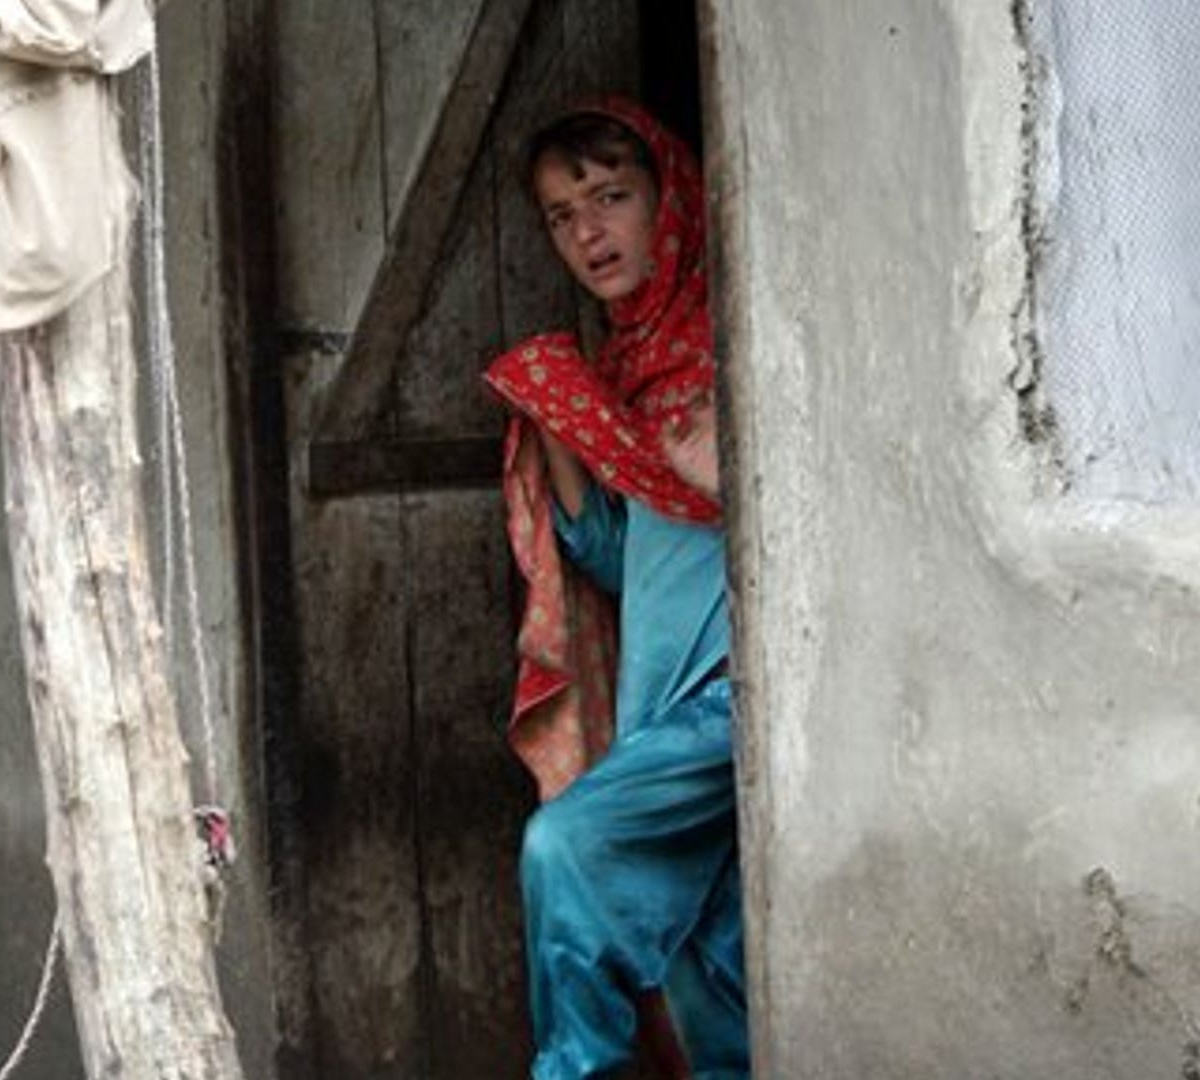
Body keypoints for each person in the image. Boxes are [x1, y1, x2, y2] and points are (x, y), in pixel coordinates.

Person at [484, 99, 748, 1080]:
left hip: (734, 702)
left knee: (568, 848)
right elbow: (614, 560)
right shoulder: (625, 364)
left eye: (610, 197)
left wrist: (723, 468)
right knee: (706, 965)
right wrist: (565, 420)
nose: (588, 231)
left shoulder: (740, 337)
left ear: (669, 197)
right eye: (561, 214)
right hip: (662, 707)